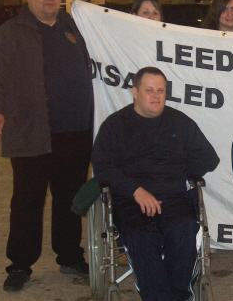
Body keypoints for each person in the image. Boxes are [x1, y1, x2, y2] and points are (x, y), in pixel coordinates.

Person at [0, 0, 93, 291]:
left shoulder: (70, 26)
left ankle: (70, 256)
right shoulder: (11, 33)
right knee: (27, 202)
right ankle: (20, 264)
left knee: (69, 200)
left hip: (75, 131)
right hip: (32, 131)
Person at [92, 67, 220, 301]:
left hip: (174, 198)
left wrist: (176, 175)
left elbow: (208, 158)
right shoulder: (116, 125)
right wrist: (135, 190)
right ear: (135, 92)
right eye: (149, 90)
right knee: (141, 238)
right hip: (132, 202)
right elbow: (102, 167)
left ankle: (179, 295)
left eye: (161, 90)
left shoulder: (179, 122)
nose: (156, 96)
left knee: (184, 231)